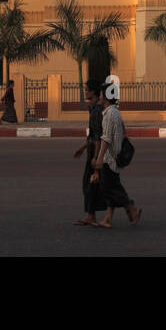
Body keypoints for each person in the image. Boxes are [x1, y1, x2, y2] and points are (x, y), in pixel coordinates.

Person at [90, 87, 141, 228]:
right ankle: (108, 219)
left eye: (100, 94)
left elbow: (105, 138)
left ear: (106, 96)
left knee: (109, 189)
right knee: (113, 186)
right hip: (114, 157)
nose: (99, 96)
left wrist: (99, 158)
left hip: (109, 158)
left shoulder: (109, 114)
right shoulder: (114, 112)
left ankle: (130, 207)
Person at [72, 81, 106, 226]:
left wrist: (95, 157)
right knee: (92, 183)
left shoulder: (97, 111)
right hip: (92, 149)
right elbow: (93, 136)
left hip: (96, 152)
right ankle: (92, 214)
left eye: (87, 90)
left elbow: (98, 137)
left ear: (94, 93)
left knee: (90, 183)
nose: (85, 92)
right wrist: (82, 147)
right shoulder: (93, 109)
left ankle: (92, 216)